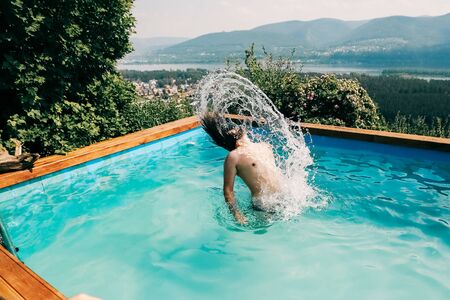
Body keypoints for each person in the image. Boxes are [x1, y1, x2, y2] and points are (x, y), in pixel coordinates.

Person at [201, 114, 282, 225]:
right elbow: (228, 191)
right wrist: (237, 215)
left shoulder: (265, 145)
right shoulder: (234, 156)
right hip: (263, 205)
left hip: (283, 199)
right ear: (230, 136)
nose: (237, 126)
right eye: (232, 128)